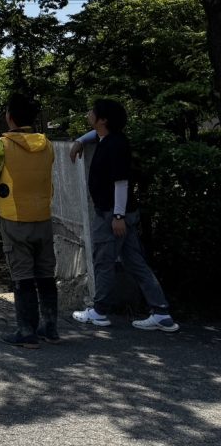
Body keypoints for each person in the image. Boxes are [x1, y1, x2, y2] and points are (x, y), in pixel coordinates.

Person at [69, 99, 179, 332]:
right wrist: (81, 140)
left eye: (93, 112)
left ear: (103, 119)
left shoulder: (114, 145)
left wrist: (117, 216)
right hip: (121, 213)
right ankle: (161, 312)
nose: (89, 113)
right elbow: (95, 135)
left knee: (104, 261)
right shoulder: (109, 139)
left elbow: (121, 182)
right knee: (135, 261)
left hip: (113, 214)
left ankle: (99, 312)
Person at [0, 92, 58, 348]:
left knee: (22, 275)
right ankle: (50, 328)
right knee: (45, 273)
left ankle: (26, 331)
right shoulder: (47, 143)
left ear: (10, 117)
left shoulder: (3, 144)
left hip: (15, 217)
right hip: (43, 216)